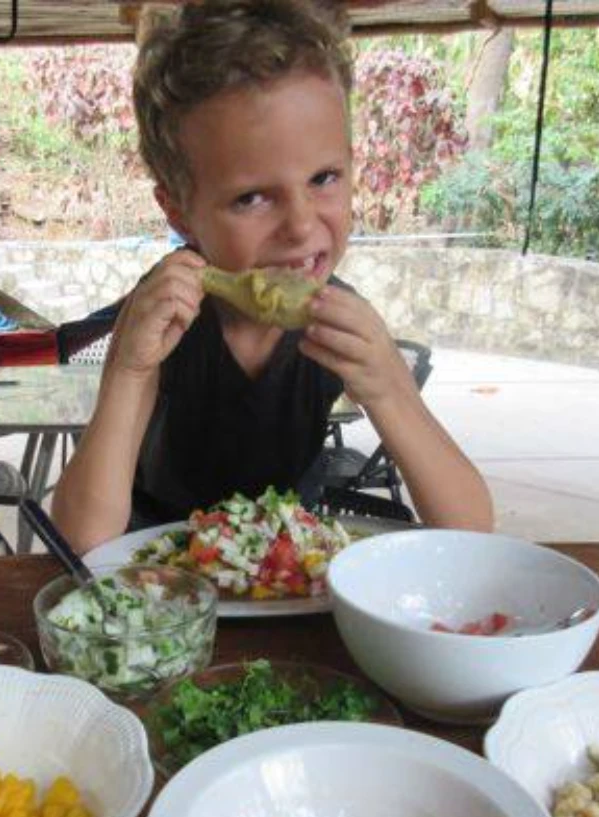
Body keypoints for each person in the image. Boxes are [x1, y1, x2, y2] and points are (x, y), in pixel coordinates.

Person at [52, 0, 493, 553]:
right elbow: (81, 538)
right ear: (180, 211)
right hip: (161, 571)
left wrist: (387, 388)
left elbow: (473, 531)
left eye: (324, 177)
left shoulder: (341, 320)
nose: (303, 225)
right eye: (252, 197)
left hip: (287, 564)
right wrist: (130, 370)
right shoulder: (160, 321)